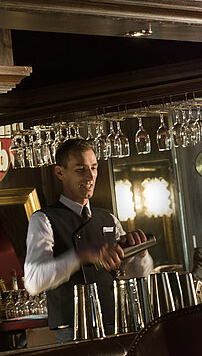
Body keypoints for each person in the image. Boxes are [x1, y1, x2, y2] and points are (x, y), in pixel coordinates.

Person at [24, 139, 153, 343]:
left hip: (117, 325)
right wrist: (82, 255)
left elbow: (136, 274)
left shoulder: (108, 218)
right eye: (80, 169)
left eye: (93, 168)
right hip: (74, 332)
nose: (90, 176)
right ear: (60, 173)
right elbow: (33, 282)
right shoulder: (44, 219)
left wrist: (140, 254)